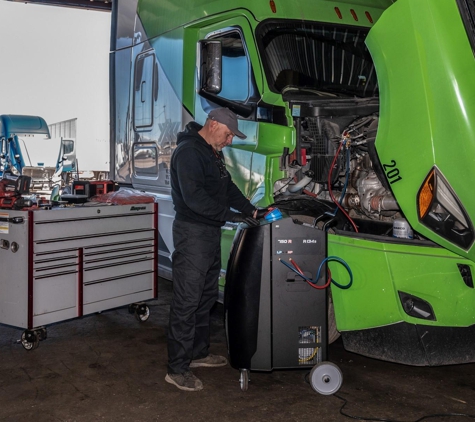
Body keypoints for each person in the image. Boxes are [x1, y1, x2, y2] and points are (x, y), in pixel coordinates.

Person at [165, 107, 270, 391]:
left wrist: (252, 211)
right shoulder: (188, 153)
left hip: (209, 232)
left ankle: (197, 353)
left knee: (206, 296)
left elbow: (228, 188)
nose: (230, 141)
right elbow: (195, 199)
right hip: (193, 233)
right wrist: (233, 216)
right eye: (228, 134)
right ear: (213, 124)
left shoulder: (213, 152)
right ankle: (177, 368)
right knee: (187, 300)